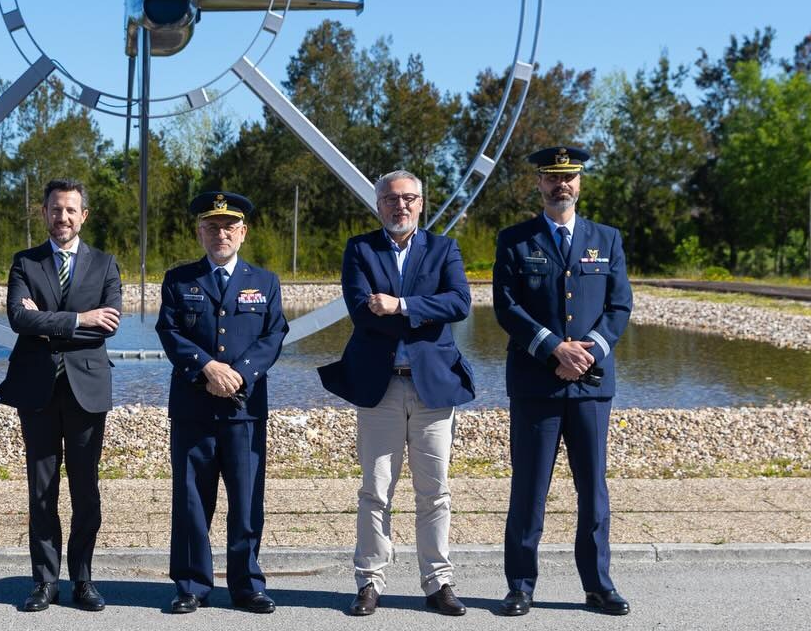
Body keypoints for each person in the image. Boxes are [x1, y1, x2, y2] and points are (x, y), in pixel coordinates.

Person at [318, 170, 474, 617]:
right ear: (378, 205)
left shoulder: (444, 248)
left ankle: (438, 581)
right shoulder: (360, 249)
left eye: (408, 198)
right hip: (380, 386)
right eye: (390, 199)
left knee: (435, 491)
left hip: (432, 388)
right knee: (375, 491)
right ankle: (369, 581)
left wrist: (401, 305)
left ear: (421, 203)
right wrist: (423, 311)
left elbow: (459, 303)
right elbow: (362, 311)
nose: (399, 206)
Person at [493, 146, 634, 617]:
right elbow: (507, 307)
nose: (562, 185)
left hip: (591, 386)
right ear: (538, 183)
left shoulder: (607, 239)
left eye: (569, 177)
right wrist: (554, 347)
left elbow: (619, 308)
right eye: (553, 177)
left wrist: (584, 351)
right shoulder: (515, 240)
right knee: (529, 489)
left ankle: (598, 585)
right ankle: (520, 585)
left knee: (593, 490)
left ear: (580, 182)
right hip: (536, 383)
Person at [156, 191, 287, 615]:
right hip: (194, 407)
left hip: (244, 409)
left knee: (247, 501)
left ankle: (247, 585)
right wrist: (208, 368)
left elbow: (273, 335)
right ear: (199, 232)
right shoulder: (179, 280)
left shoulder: (264, 281)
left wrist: (240, 374)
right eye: (211, 227)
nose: (220, 234)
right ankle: (192, 585)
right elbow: (170, 332)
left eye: (229, 227)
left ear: (243, 233)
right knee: (192, 500)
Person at [0, 178, 123, 612]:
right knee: (42, 490)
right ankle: (45, 581)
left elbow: (109, 323)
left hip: (87, 389)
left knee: (86, 490)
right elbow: (17, 318)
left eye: (70, 210)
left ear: (83, 215)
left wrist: (47, 321)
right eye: (55, 210)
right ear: (44, 213)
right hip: (38, 390)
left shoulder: (105, 264)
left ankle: (83, 579)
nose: (62, 218)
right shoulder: (25, 263)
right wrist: (77, 319)